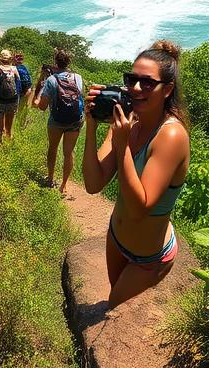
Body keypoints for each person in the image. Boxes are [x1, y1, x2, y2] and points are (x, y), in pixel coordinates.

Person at [82, 41, 190, 308]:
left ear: (168, 90)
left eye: (148, 83)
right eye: (132, 80)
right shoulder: (128, 123)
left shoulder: (171, 136)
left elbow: (139, 207)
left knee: (114, 302)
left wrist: (122, 145)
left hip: (150, 256)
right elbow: (94, 184)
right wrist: (92, 126)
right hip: (116, 238)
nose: (137, 89)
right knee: (114, 297)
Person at [33, 48, 84, 194]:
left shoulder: (51, 80)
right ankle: (64, 185)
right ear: (69, 62)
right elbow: (79, 97)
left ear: (55, 62)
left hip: (56, 120)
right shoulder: (78, 78)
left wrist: (36, 100)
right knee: (69, 153)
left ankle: (50, 179)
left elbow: (42, 107)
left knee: (53, 148)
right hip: (75, 120)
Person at [0, 49, 20, 143]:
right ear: (10, 59)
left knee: (0, 126)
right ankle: (8, 146)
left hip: (0, 101)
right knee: (9, 127)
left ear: (0, 59)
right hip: (12, 101)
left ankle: (1, 144)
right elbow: (18, 83)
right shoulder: (14, 69)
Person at [13, 52, 34, 130]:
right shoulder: (25, 67)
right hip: (26, 91)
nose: (19, 58)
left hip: (22, 92)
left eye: (20, 57)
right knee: (22, 108)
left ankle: (17, 126)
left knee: (19, 109)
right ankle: (21, 125)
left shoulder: (16, 68)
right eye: (18, 57)